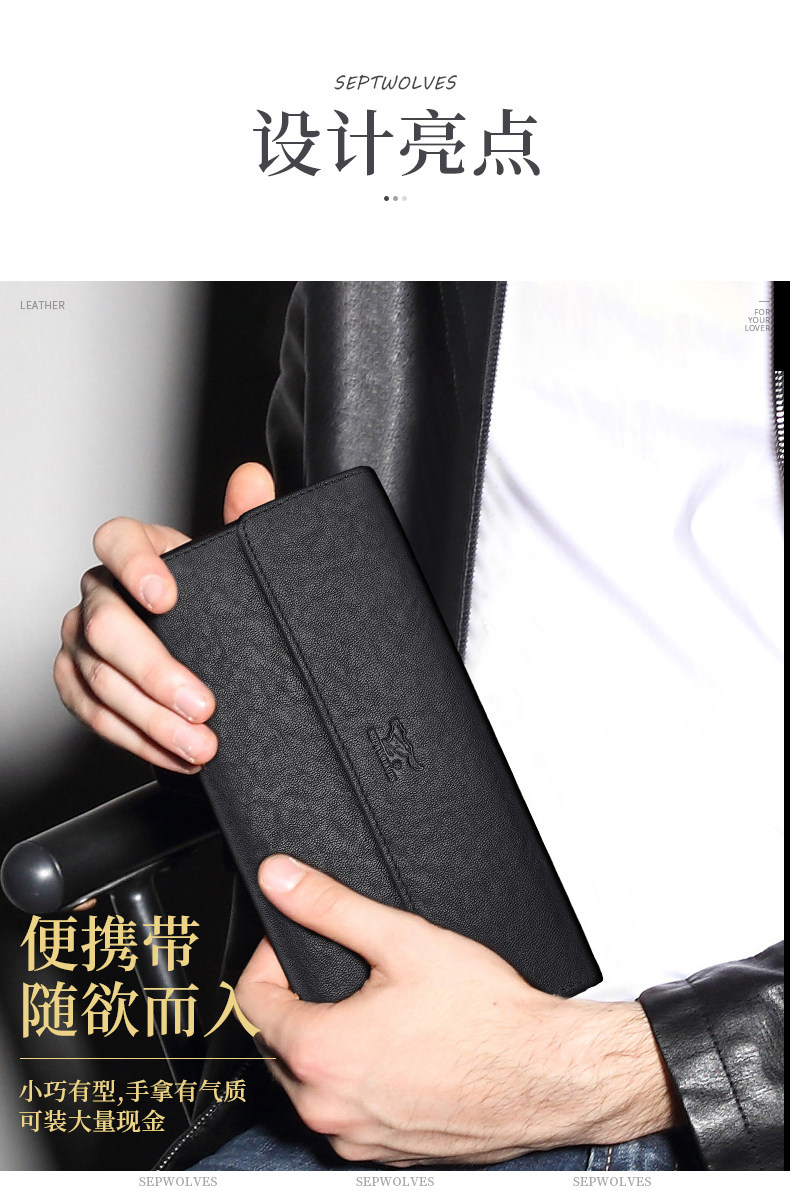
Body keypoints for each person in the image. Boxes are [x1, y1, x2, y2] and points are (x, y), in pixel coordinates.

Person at [54, 282, 784, 1172]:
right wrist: (175, 679)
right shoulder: (391, 249)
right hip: (393, 1061)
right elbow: (342, 653)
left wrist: (603, 1072)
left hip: (736, 1118)